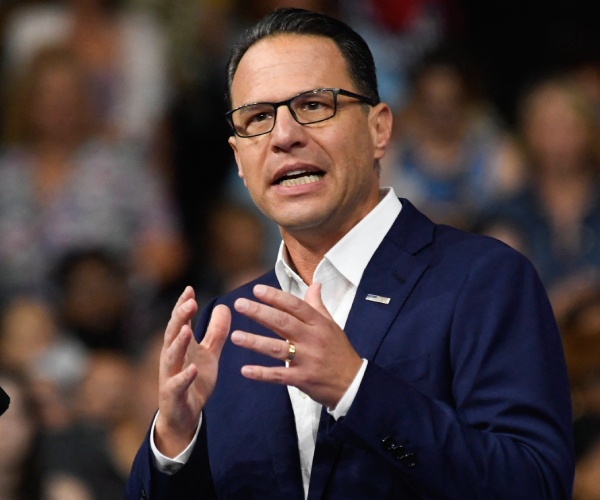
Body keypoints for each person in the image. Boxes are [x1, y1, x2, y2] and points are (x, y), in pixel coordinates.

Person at [125, 8, 573, 500]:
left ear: (379, 129)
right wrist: (175, 438)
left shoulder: (483, 279)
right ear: (238, 159)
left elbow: (534, 485)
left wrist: (356, 389)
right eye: (258, 118)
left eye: (314, 105)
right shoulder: (226, 330)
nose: (284, 136)